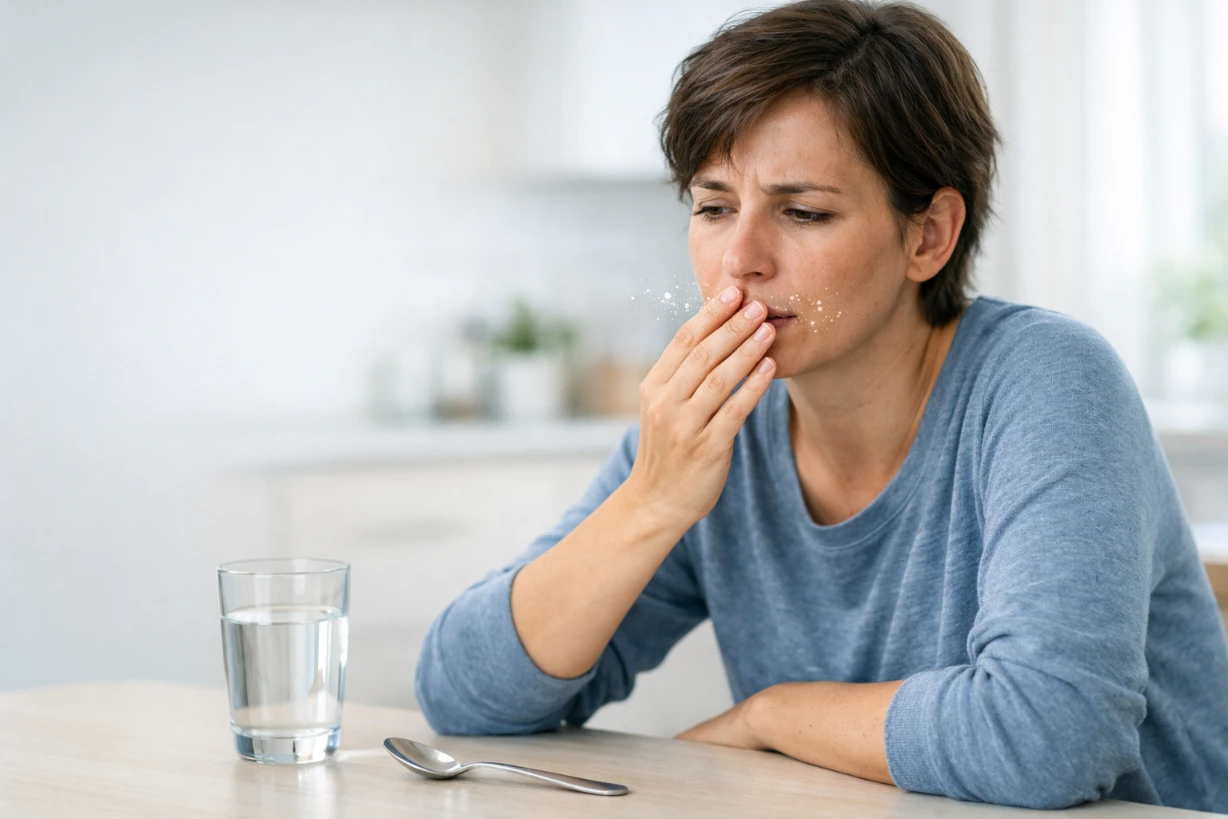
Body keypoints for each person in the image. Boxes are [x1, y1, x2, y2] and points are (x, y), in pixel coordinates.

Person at [413, 0, 1228, 812]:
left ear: (929, 235)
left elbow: (1048, 736)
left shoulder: (1048, 382)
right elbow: (463, 696)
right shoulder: (719, 427)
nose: (739, 260)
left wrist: (770, 715)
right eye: (713, 206)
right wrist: (651, 501)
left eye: (803, 212)